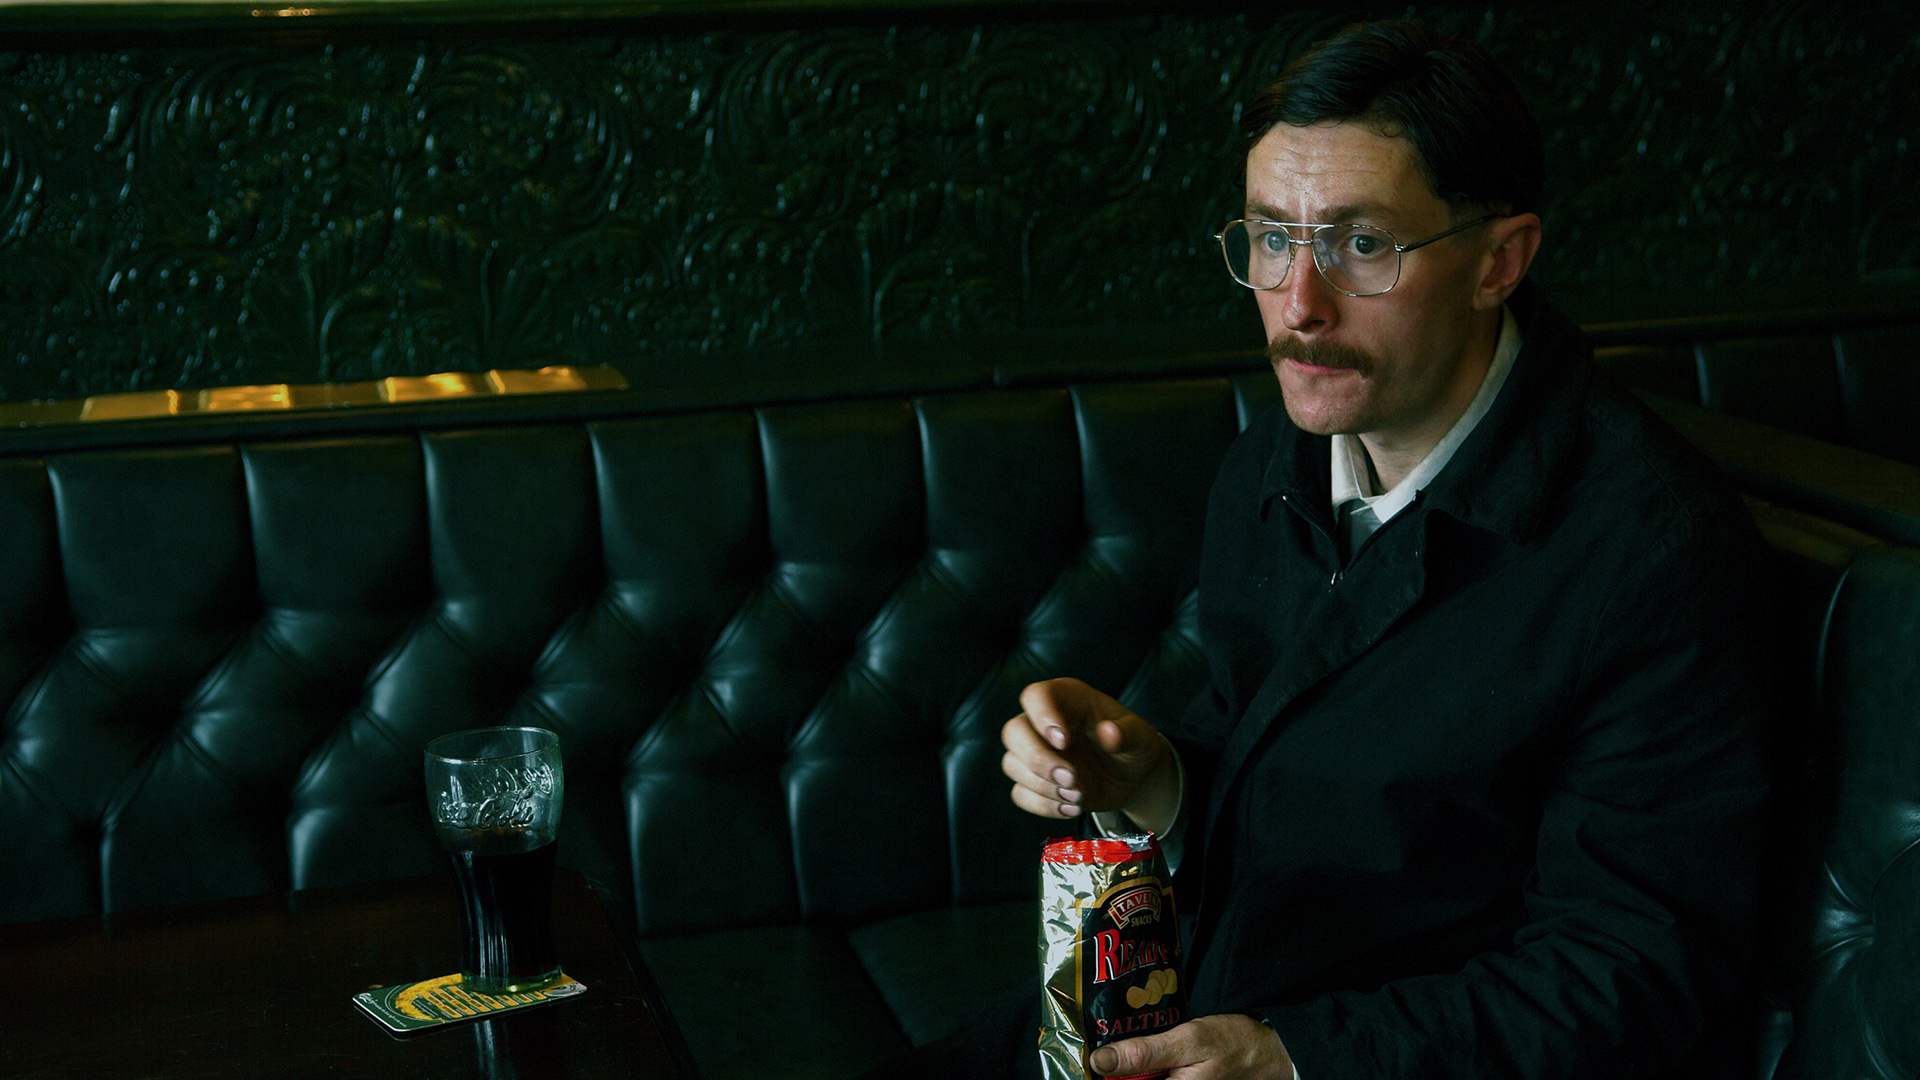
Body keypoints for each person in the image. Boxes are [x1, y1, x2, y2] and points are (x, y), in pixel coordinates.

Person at [995, 19, 1773, 1080]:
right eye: (1272, 238)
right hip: (1195, 1013)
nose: (1299, 305)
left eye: (1361, 245)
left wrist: (1297, 1060)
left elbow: (1628, 971)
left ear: (1500, 261)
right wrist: (1155, 779)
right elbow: (1277, 759)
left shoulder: (1655, 553)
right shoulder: (1275, 456)